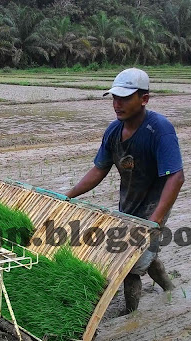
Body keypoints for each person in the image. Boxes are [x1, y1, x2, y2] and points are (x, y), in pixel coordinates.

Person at [65, 67, 184, 314]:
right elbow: (99, 170)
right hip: (129, 202)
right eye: (114, 98)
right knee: (145, 256)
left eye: (125, 98)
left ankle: (130, 315)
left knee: (129, 263)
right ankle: (170, 288)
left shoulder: (159, 130)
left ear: (144, 99)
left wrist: (156, 220)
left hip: (155, 203)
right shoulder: (113, 131)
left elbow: (176, 177)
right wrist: (67, 195)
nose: (117, 104)